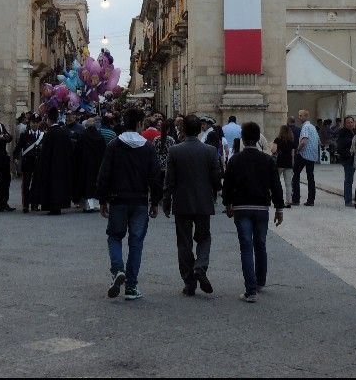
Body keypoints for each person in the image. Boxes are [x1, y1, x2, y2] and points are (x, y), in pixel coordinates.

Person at [96, 107, 162, 301]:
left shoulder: (114, 146)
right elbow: (155, 177)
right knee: (136, 243)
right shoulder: (148, 147)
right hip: (140, 201)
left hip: (118, 200)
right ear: (140, 124)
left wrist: (102, 200)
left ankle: (117, 270)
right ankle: (131, 287)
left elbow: (104, 174)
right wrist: (155, 201)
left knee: (115, 237)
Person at [223, 122, 285, 303]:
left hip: (241, 207)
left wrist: (228, 204)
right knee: (261, 244)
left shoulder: (235, 160)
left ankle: (250, 291)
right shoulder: (268, 160)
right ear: (259, 138)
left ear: (242, 138)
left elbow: (228, 185)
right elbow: (276, 186)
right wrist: (279, 208)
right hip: (261, 208)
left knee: (246, 247)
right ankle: (260, 281)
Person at [163, 113, 221, 296]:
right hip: (203, 201)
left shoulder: (174, 151)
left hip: (182, 202)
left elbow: (169, 180)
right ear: (199, 129)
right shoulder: (210, 151)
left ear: (183, 129)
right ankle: (201, 266)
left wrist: (166, 200)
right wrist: (215, 193)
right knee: (204, 237)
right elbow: (216, 177)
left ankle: (189, 282)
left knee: (184, 242)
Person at [29, 107, 73, 215]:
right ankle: (59, 206)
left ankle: (52, 207)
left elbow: (46, 152)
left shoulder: (50, 134)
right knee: (60, 186)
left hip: (51, 167)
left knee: (51, 186)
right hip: (62, 166)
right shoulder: (64, 132)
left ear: (49, 120)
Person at [13, 114, 44, 212]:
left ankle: (35, 204)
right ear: (29, 123)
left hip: (38, 163)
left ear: (39, 123)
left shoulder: (43, 135)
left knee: (37, 184)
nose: (34, 124)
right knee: (25, 185)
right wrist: (16, 158)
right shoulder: (24, 135)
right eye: (32, 122)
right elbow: (18, 148)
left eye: (36, 122)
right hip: (27, 162)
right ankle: (25, 205)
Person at [79, 114, 108, 212]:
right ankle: (96, 204)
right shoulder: (100, 137)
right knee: (95, 183)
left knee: (86, 184)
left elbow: (78, 151)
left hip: (85, 165)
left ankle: (87, 206)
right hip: (97, 164)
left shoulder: (83, 136)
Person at [291, 110, 319, 207]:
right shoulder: (313, 127)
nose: (299, 117)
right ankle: (311, 200)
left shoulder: (305, 127)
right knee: (310, 177)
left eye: (300, 116)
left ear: (306, 116)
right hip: (312, 156)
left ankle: (295, 199)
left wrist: (298, 150)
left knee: (295, 175)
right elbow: (318, 141)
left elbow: (304, 141)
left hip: (304, 154)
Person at [270, 124, 294, 208]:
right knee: (288, 184)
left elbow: (273, 150)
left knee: (276, 182)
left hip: (279, 163)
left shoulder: (278, 140)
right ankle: (289, 201)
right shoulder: (291, 141)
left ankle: (276, 200)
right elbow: (293, 154)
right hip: (288, 164)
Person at [336, 116, 356, 207]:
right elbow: (341, 146)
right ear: (345, 124)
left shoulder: (354, 131)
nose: (350, 124)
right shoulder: (342, 132)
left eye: (352, 122)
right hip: (348, 159)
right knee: (348, 180)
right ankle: (348, 200)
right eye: (348, 122)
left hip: (355, 159)